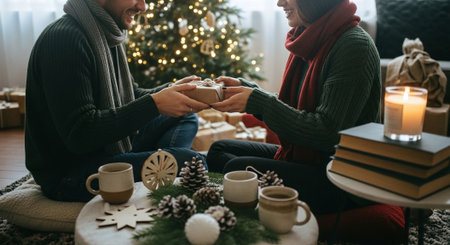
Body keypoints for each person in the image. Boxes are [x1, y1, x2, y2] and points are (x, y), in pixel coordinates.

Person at [207, 0, 381, 215]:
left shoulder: (353, 46)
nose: (280, 3)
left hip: (340, 175)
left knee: (236, 169)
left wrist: (258, 101)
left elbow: (327, 133)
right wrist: (249, 91)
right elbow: (295, 109)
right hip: (309, 158)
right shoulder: (308, 37)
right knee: (218, 150)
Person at [25, 0, 210, 202]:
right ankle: (159, 165)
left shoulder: (104, 32)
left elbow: (130, 94)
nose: (142, 7)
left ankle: (156, 164)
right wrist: (154, 104)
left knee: (185, 117)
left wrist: (171, 92)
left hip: (108, 146)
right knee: (192, 162)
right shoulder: (64, 39)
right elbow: (80, 134)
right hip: (71, 172)